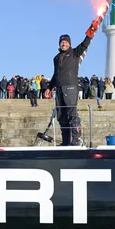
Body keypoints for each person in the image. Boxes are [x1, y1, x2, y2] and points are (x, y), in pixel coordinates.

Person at [48, 18, 99, 146]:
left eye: (66, 42)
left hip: (70, 88)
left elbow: (85, 43)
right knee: (61, 116)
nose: (63, 44)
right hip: (59, 89)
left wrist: (91, 30)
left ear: (69, 44)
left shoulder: (75, 53)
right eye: (62, 42)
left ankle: (76, 139)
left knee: (72, 114)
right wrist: (49, 87)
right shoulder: (56, 58)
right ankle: (66, 141)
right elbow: (55, 74)